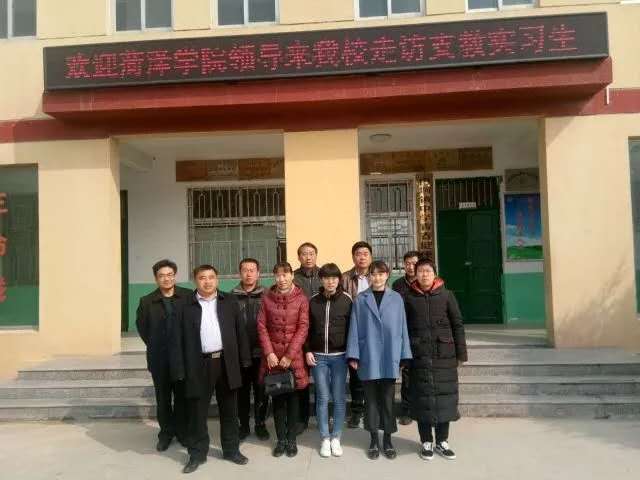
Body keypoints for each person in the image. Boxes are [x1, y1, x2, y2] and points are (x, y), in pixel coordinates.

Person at [170, 265, 251, 474]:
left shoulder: (229, 301)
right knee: (197, 412)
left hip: (226, 362)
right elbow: (176, 340)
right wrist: (179, 369)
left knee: (230, 411)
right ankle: (197, 454)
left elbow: (240, 332)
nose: (207, 282)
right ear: (195, 280)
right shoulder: (184, 305)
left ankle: (231, 450)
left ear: (217, 279)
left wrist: (245, 360)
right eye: (202, 278)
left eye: (211, 277)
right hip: (198, 364)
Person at [346, 261, 412, 460]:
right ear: (369, 277)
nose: (377, 278)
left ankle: (388, 440)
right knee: (371, 401)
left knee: (388, 400)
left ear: (387, 275)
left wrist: (404, 354)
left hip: (390, 354)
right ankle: (374, 439)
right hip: (369, 355)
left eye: (381, 274)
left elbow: (403, 327)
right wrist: (354, 354)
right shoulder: (361, 299)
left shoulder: (397, 298)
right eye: (373, 274)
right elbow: (354, 328)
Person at [404, 259, 467, 461]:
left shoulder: (447, 296)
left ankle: (442, 441)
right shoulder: (408, 297)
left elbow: (457, 324)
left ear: (435, 274)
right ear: (415, 274)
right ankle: (426, 441)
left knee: (444, 399)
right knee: (422, 399)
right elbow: (402, 329)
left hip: (444, 356)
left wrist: (461, 354)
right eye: (421, 271)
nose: (424, 275)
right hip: (418, 355)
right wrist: (404, 356)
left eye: (428, 271)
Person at [136, 259, 192, 452]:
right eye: (162, 276)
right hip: (159, 360)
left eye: (170, 275)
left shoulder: (187, 296)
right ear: (156, 279)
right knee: (163, 399)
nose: (166, 279)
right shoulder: (147, 301)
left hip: (183, 359)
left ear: (175, 276)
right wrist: (158, 345)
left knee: (182, 398)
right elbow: (143, 329)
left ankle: (183, 432)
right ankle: (166, 434)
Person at [257, 262, 309, 458]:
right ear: (274, 277)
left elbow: (303, 327)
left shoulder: (301, 299)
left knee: (293, 400)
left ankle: (292, 439)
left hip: (292, 358)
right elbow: (261, 327)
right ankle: (281, 440)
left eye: (285, 274)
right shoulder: (266, 298)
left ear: (292, 276)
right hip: (272, 359)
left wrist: (289, 355)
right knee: (277, 398)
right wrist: (269, 353)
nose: (282, 279)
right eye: (278, 275)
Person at [306, 263, 352, 458]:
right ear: (321, 280)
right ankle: (325, 437)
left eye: (334, 278)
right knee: (323, 397)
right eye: (326, 278)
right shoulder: (313, 301)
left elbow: (352, 329)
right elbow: (306, 328)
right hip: (319, 357)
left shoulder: (347, 300)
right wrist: (307, 350)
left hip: (340, 357)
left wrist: (351, 354)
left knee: (339, 398)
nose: (330, 282)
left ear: (339, 280)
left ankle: (336, 437)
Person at [232, 258, 270, 442]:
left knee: (262, 391)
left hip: (262, 353)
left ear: (258, 273)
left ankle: (260, 424)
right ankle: (244, 425)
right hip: (240, 354)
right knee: (242, 392)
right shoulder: (231, 297)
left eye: (252, 270)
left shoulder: (267, 295)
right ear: (240, 273)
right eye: (245, 270)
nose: (248, 274)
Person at [341, 241, 372, 428]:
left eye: (365, 253)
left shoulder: (376, 276)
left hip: (372, 332)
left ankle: (372, 411)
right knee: (355, 374)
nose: (362, 257)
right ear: (353, 257)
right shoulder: (345, 278)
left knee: (372, 373)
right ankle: (357, 410)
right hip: (352, 330)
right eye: (358, 254)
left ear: (370, 257)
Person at [293, 242, 321, 431]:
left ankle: (321, 416)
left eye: (311, 253)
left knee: (321, 380)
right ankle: (301, 418)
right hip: (299, 333)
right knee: (301, 378)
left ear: (316, 255)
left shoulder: (324, 275)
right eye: (304, 254)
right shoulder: (293, 277)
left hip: (319, 333)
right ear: (299, 257)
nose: (308, 257)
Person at [391, 250, 421, 426]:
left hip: (421, 333)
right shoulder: (398, 285)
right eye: (407, 263)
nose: (410, 267)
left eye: (414, 263)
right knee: (407, 373)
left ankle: (422, 408)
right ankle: (407, 410)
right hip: (403, 334)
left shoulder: (425, 282)